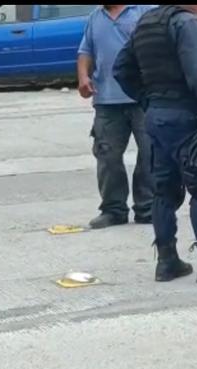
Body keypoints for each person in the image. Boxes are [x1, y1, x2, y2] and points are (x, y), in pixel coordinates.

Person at [113, 5, 197, 284]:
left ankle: (167, 262)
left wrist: (149, 100)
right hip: (188, 117)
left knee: (163, 191)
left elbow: (120, 69)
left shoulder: (146, 23)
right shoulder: (186, 24)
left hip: (156, 118)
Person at [77, 5, 156, 229]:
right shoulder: (95, 17)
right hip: (106, 100)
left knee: (150, 152)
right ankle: (113, 209)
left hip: (142, 98)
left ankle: (147, 207)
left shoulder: (145, 11)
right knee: (107, 156)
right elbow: (86, 51)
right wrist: (83, 77)